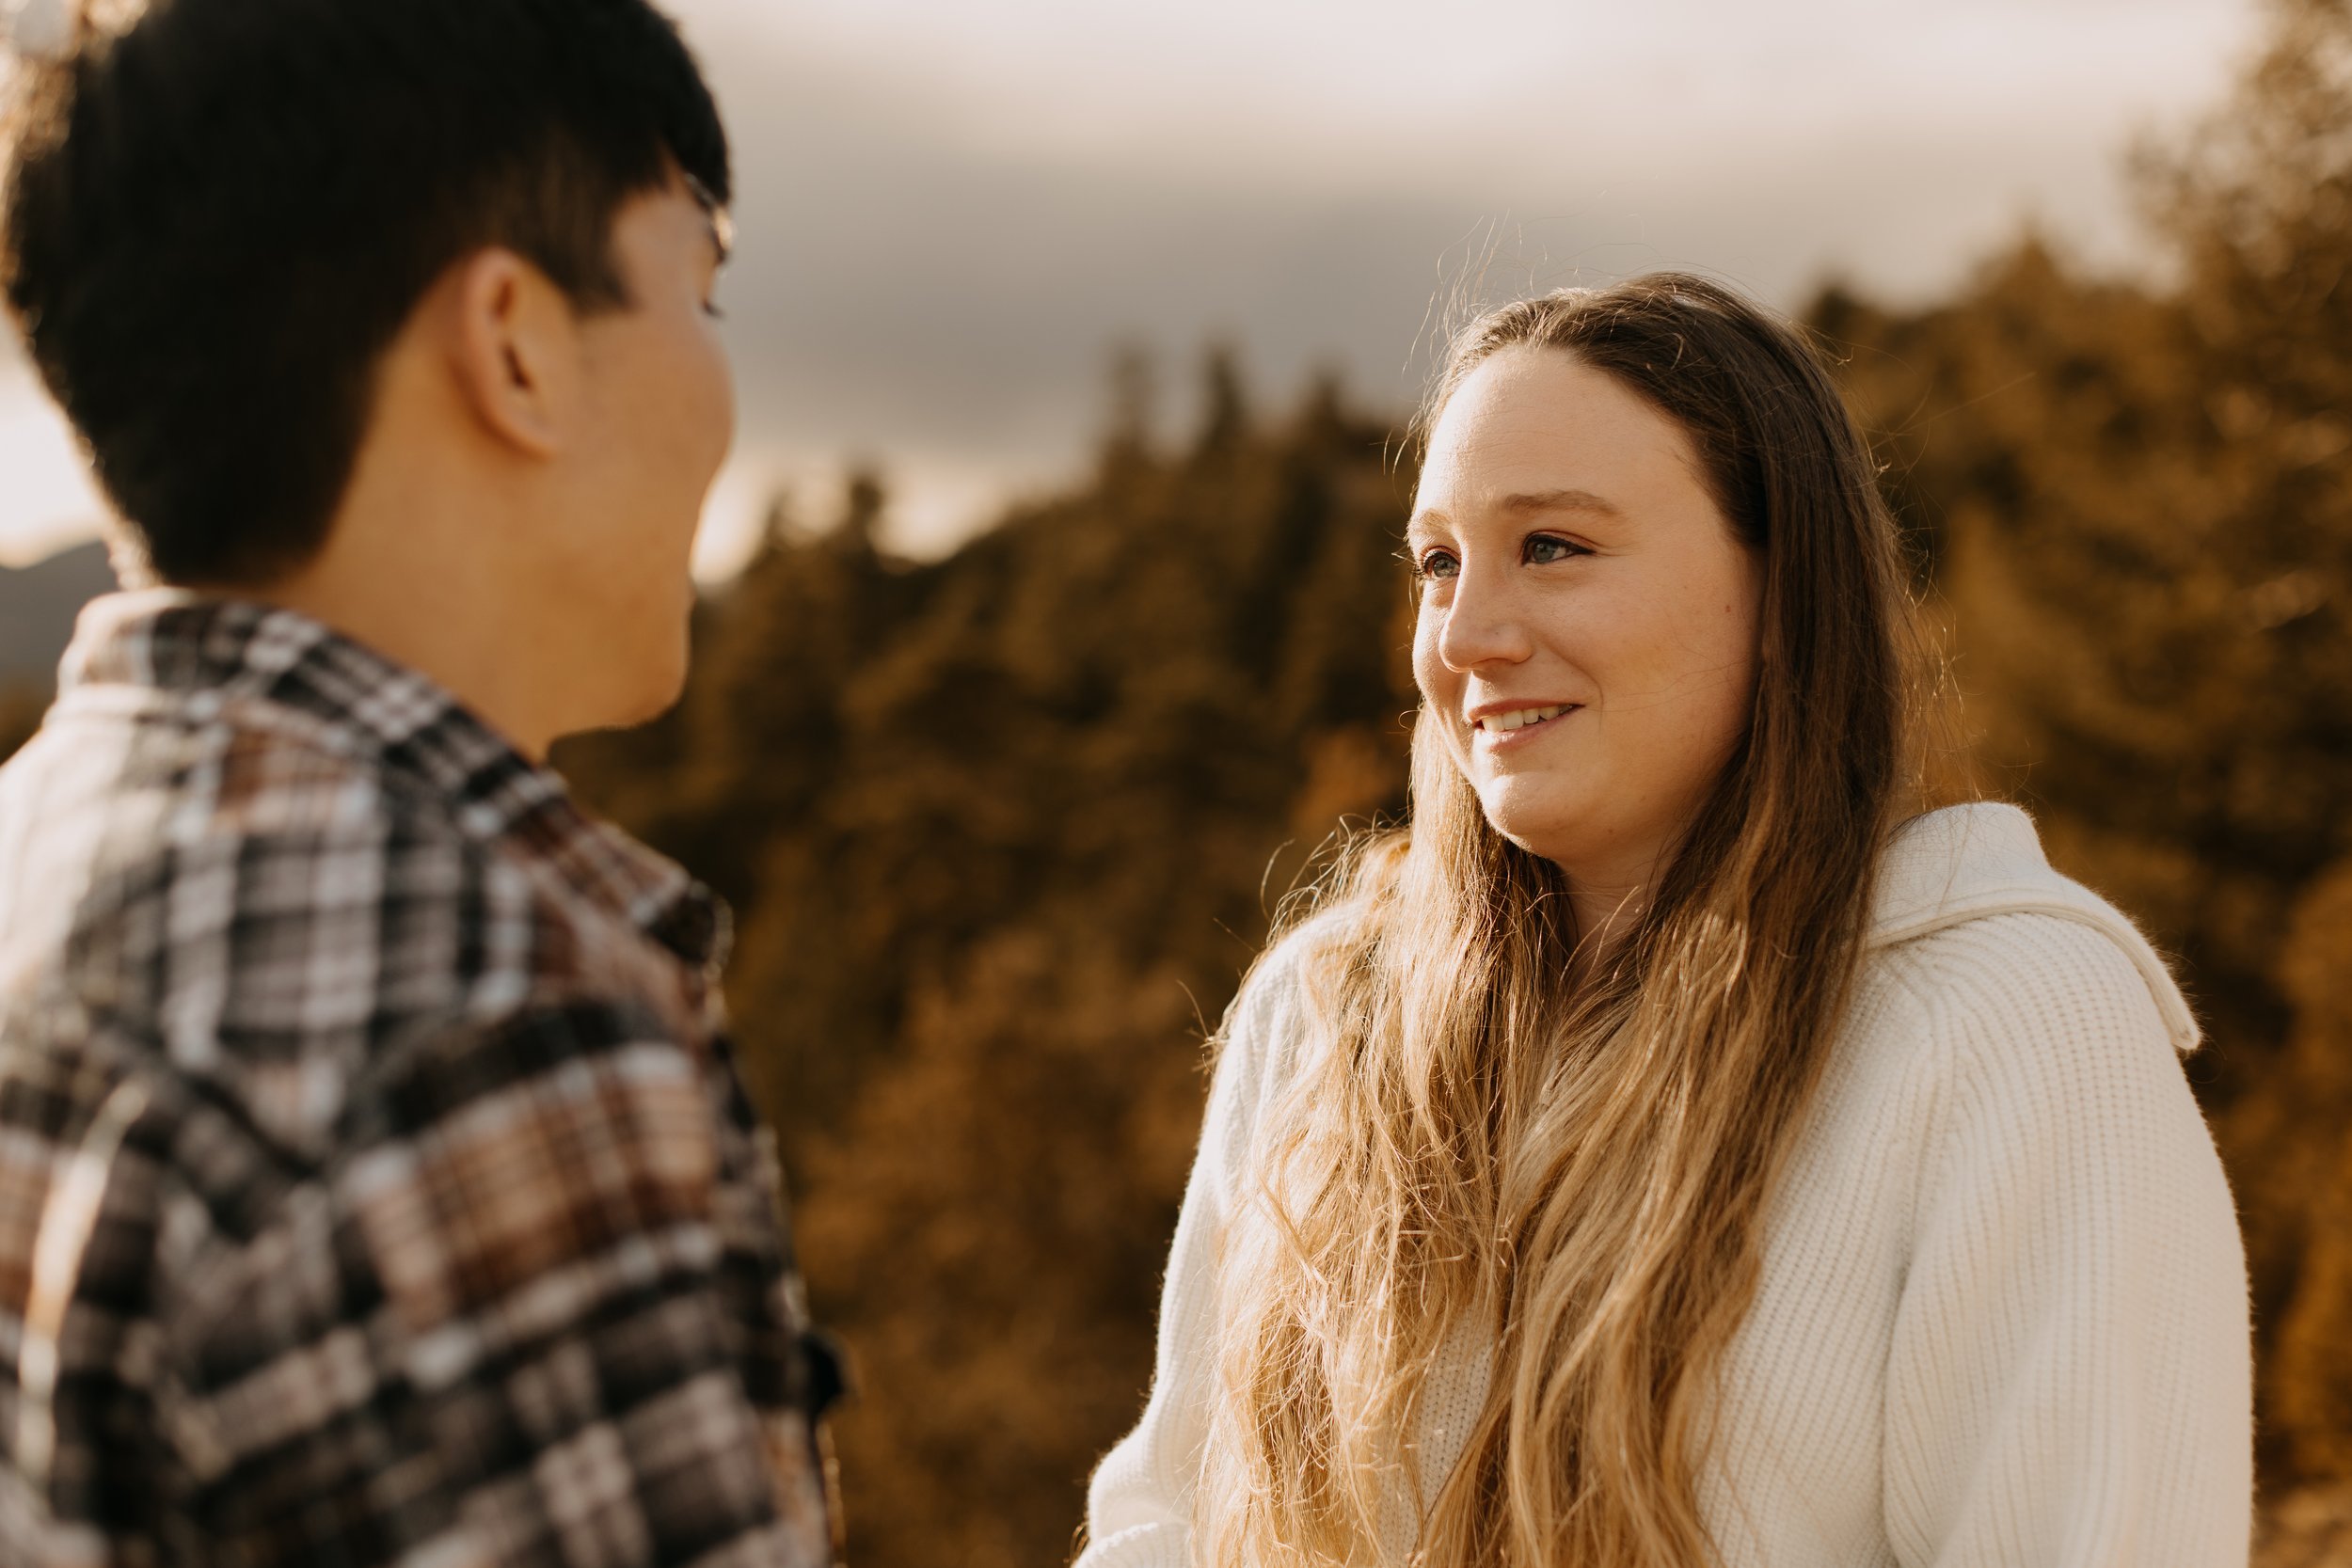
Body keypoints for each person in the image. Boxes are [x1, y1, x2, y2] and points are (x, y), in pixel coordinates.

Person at [1079, 276, 2252, 1568]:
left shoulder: (2016, 1027)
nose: (1466, 635)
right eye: (1437, 563)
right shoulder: (1322, 1012)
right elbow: (1165, 1521)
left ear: (1779, 587)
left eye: (1555, 548)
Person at [0, 1, 839, 1562]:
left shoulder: (36, 844)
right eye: (700, 295)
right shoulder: (465, 1007)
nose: (725, 389)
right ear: (514, 341)